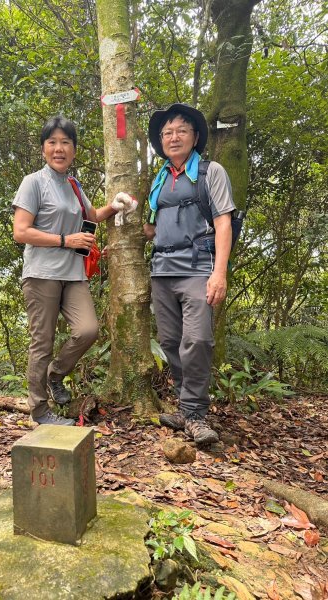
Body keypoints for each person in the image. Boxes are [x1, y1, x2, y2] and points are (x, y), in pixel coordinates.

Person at [13, 115, 136, 426]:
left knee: (88, 330)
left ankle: (56, 375)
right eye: (52, 142)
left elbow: (91, 216)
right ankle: (39, 412)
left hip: (73, 274)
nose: (59, 148)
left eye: (65, 142)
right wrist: (66, 240)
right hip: (42, 274)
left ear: (74, 149)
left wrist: (117, 206)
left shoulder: (73, 184)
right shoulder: (34, 182)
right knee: (42, 342)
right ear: (43, 149)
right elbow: (21, 232)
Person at [144, 103, 235, 446]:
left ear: (195, 136)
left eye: (181, 130)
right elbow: (154, 227)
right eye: (167, 132)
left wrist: (219, 273)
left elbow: (223, 222)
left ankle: (195, 414)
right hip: (162, 272)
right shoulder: (160, 178)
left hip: (198, 269)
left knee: (197, 340)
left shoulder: (211, 172)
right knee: (170, 342)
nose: (174, 136)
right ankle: (184, 406)